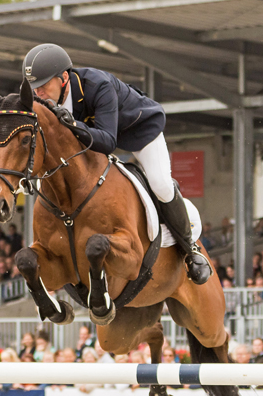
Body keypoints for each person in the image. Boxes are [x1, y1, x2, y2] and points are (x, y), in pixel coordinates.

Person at [22, 43, 211, 284]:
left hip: (137, 131)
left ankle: (191, 250)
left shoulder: (98, 85)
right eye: (33, 87)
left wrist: (72, 124)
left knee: (161, 184)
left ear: (64, 78)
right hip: (92, 138)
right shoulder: (44, 101)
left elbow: (108, 141)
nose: (38, 93)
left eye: (42, 85)